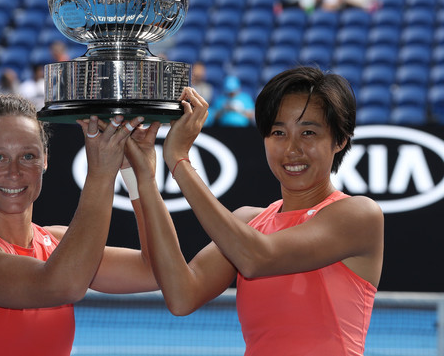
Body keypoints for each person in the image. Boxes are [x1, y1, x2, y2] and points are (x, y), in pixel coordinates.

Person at [124, 66, 384, 355]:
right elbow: (182, 294)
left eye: (308, 132)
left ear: (340, 140)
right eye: (278, 132)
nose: (292, 149)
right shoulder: (248, 222)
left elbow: (257, 257)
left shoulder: (359, 215)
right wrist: (144, 178)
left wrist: (180, 162)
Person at [0, 93, 158, 355]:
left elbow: (158, 270)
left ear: (45, 159)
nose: (14, 172)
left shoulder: (59, 244)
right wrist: (101, 174)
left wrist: (139, 175)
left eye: (28, 156)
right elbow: (62, 285)